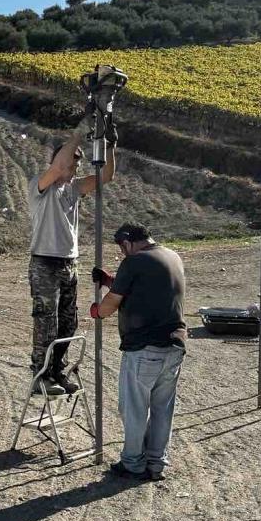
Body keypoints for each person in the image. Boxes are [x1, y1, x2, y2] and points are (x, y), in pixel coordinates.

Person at [88, 223, 186, 481]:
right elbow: (148, 288)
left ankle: (132, 463)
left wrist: (97, 311)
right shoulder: (171, 256)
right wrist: (110, 280)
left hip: (144, 348)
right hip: (174, 345)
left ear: (128, 242)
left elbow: (110, 305)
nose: (123, 253)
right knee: (163, 408)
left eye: (122, 247)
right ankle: (156, 463)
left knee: (134, 409)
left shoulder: (134, 262)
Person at [28, 127, 116, 397]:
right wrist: (77, 136)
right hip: (45, 262)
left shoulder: (74, 189)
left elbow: (106, 176)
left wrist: (110, 145)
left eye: (79, 161)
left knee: (68, 322)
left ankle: (58, 371)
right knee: (47, 322)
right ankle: (41, 376)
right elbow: (58, 166)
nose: (76, 164)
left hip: (69, 262)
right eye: (73, 160)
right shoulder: (41, 185)